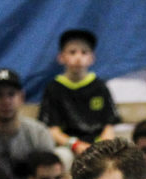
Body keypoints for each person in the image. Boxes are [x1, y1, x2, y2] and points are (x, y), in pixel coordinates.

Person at [39, 28, 120, 170]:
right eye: (72, 52)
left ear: (91, 58)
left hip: (98, 146)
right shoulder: (54, 88)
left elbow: (109, 126)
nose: (78, 57)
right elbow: (52, 130)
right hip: (68, 147)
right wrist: (75, 145)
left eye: (84, 52)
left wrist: (99, 147)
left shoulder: (99, 87)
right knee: (59, 158)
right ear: (61, 57)